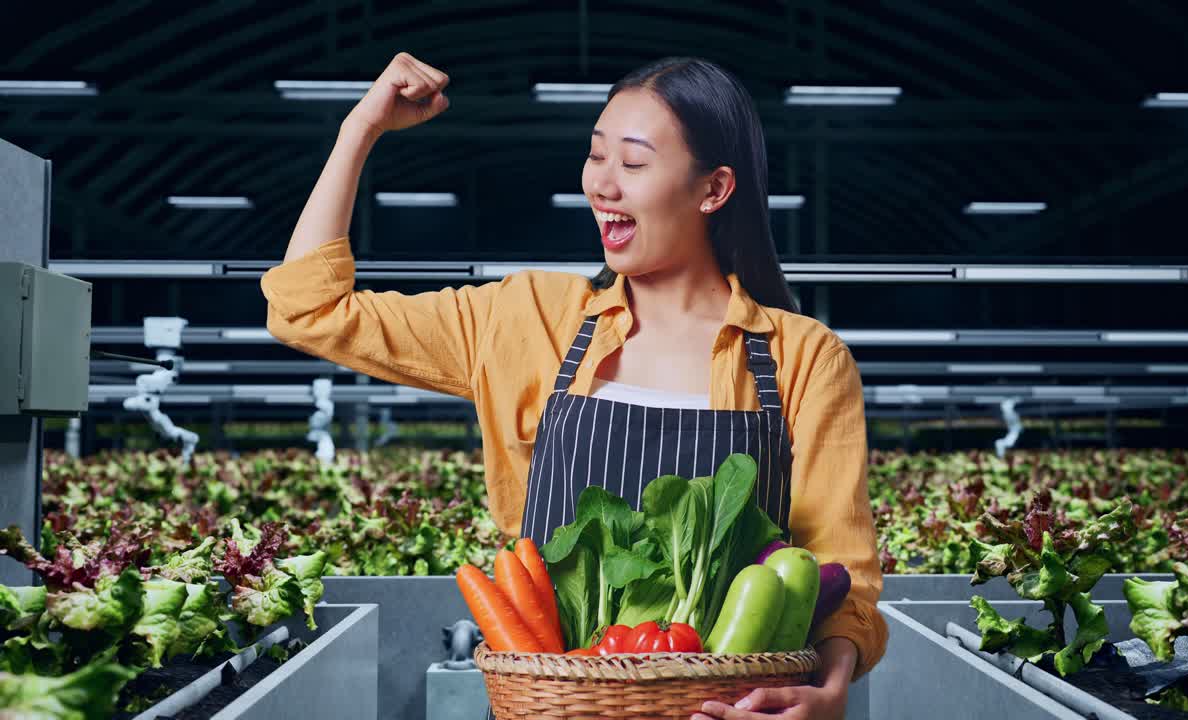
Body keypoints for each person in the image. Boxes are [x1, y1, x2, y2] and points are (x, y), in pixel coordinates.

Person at [260, 52, 888, 720]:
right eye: (596, 157)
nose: (603, 185)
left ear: (714, 189)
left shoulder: (803, 358)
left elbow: (839, 569)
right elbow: (308, 312)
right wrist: (360, 128)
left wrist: (830, 691)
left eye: (635, 163)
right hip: (549, 705)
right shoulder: (527, 319)